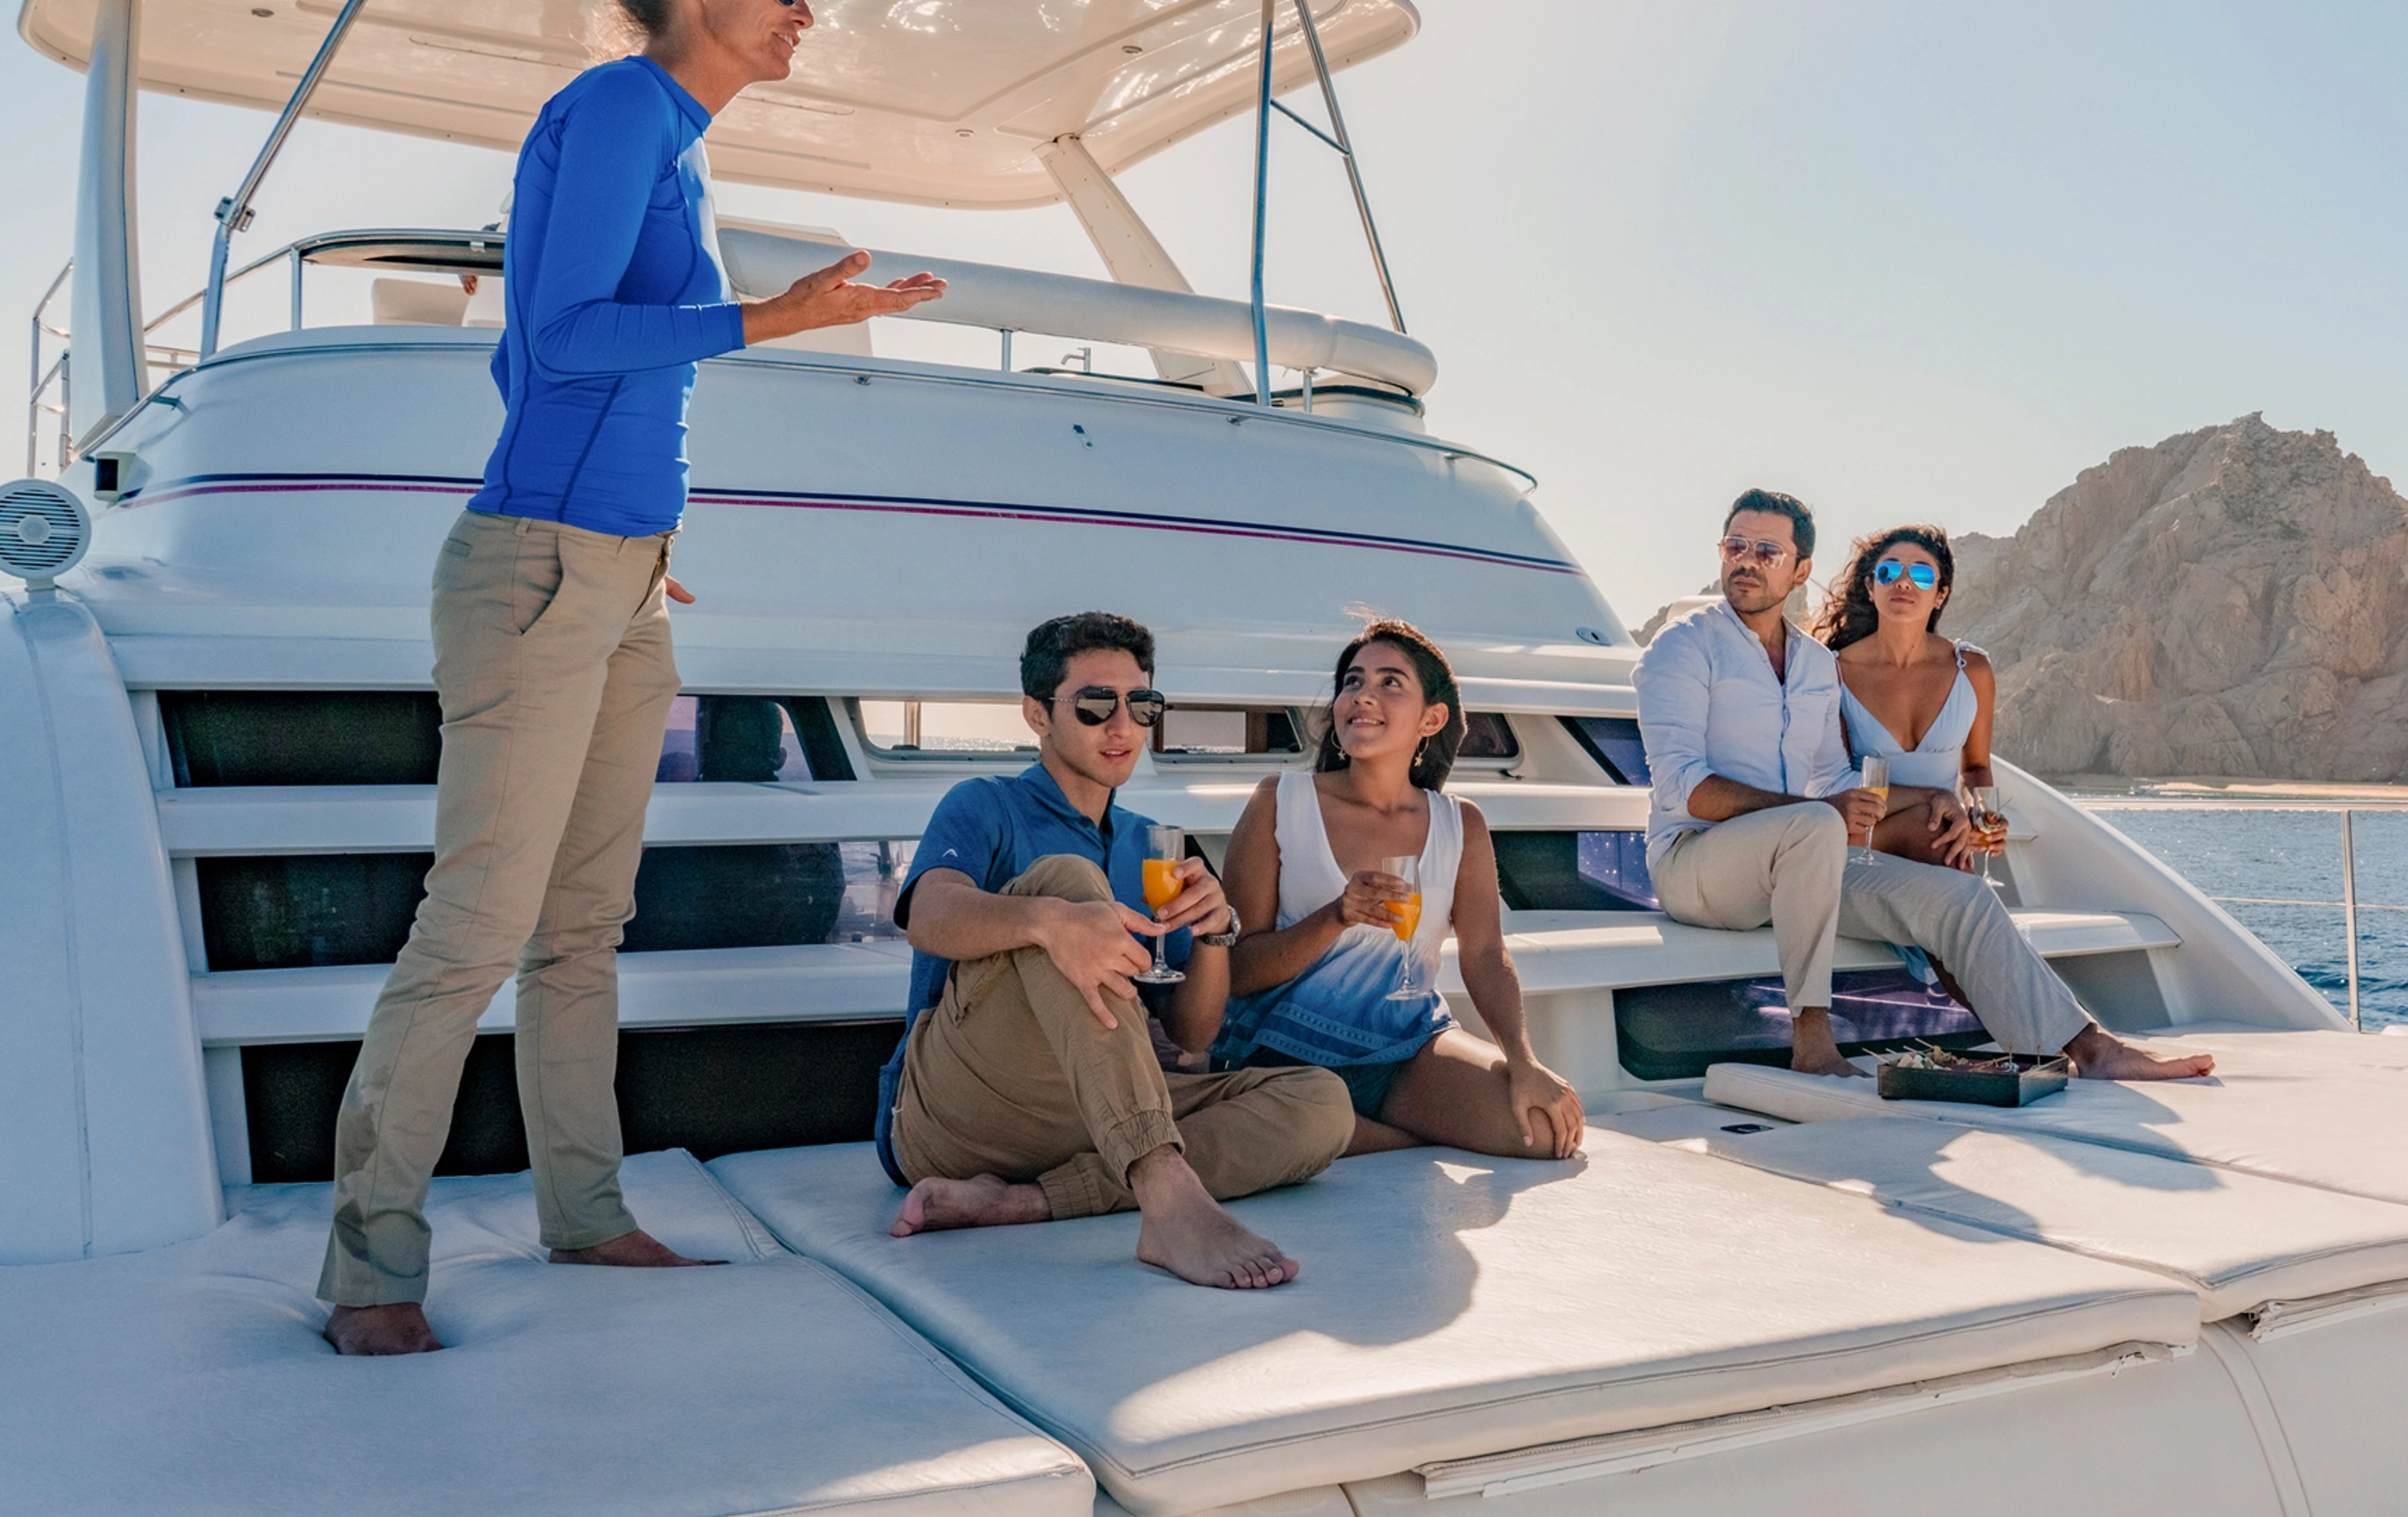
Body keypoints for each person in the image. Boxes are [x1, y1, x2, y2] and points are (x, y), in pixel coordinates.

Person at [319, 0, 948, 1356]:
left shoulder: (681, 141)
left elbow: (604, 369)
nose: (809, 7)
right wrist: (773, 319)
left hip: (614, 570)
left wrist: (643, 530)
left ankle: (585, 1218)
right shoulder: (615, 111)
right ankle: (370, 1272)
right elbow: (557, 335)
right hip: (537, 566)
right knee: (473, 930)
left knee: (583, 926)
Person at [1635, 489, 2216, 1084]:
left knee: (1959, 897)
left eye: (1766, 550)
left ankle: (2090, 1048)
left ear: (1800, 568)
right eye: (1735, 545)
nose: (1746, 561)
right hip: (1696, 864)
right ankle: (1812, 1043)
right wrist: (1817, 813)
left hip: (1797, 867)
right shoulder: (1682, 647)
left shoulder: (1814, 663)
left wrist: (1932, 800)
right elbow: (1685, 788)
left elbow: (1837, 779)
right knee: (1814, 825)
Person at [880, 612, 1353, 1290]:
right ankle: (1164, 1190)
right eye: (1096, 704)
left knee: (1321, 1105)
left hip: (1100, 1114)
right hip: (956, 1110)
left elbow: (1192, 1031)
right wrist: (1050, 921)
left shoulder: (1154, 842)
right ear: (1037, 715)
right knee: (1070, 887)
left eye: (1143, 705)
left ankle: (1034, 1201)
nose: (1123, 725)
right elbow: (928, 916)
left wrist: (1217, 930)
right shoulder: (986, 805)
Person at [1214, 620, 1586, 1160]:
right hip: (1289, 1054)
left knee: (1541, 1131)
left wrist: (1523, 1061)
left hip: (1407, 1045)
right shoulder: (1280, 800)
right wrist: (1336, 916)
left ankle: (1354, 1133)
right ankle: (1374, 1133)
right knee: (1308, 1113)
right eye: (1352, 681)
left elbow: (1484, 954)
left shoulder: (1462, 824)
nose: (1362, 694)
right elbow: (1240, 972)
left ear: (1431, 718)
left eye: (1390, 683)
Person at [1823, 525, 1998, 870]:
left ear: (1939, 595)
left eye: (1920, 573)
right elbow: (1832, 779)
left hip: (1944, 834)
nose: (1903, 582)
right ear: (1872, 588)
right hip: (1865, 837)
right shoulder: (1834, 672)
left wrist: (1983, 818)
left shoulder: (1972, 669)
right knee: (1936, 835)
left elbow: (1976, 766)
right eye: (1888, 571)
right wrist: (1934, 801)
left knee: (1943, 837)